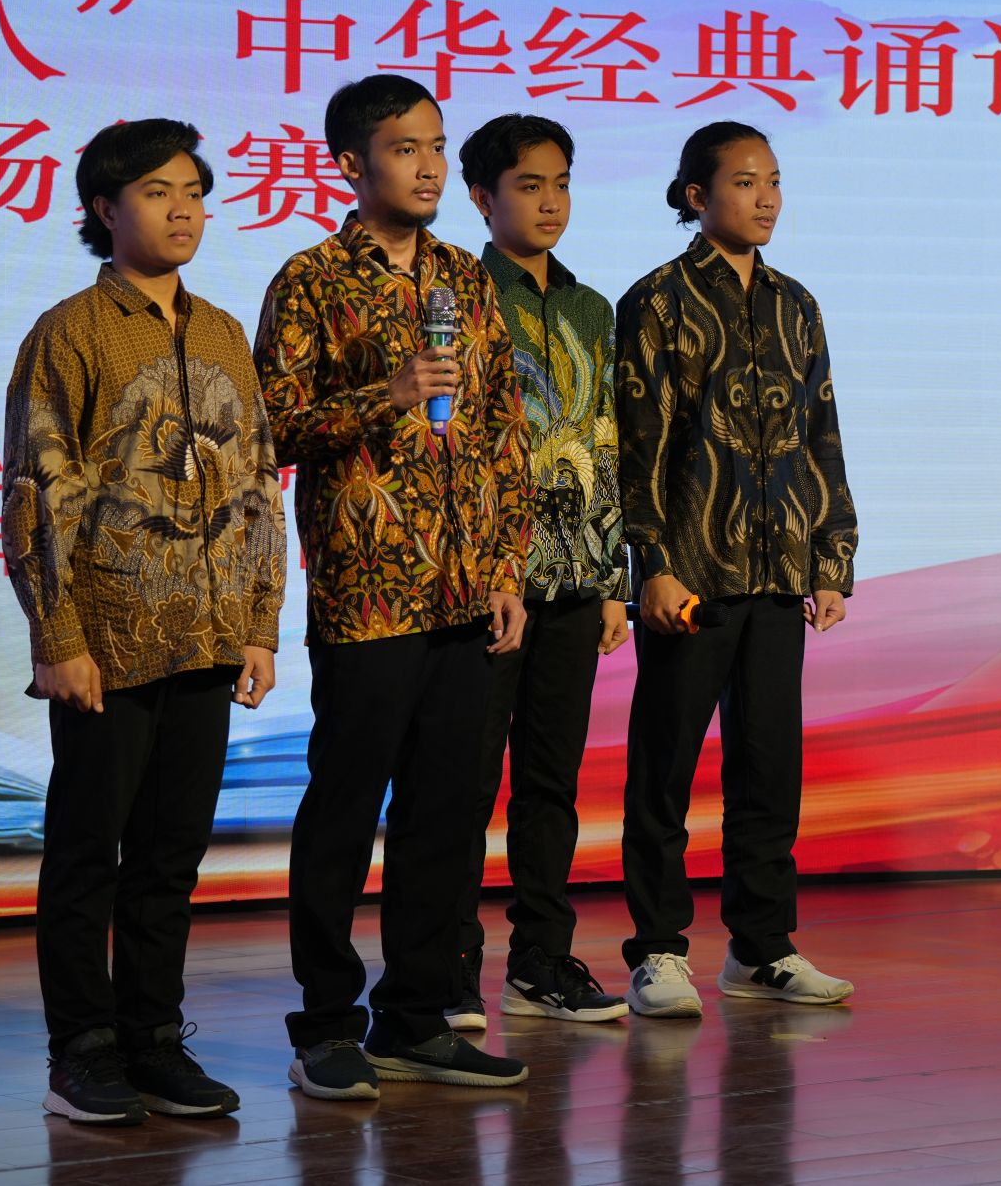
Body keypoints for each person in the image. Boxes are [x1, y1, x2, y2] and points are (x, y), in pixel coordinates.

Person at [253, 74, 533, 1095]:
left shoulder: (464, 277)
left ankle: (416, 1017)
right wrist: (389, 391)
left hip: (467, 593)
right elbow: (271, 428)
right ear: (350, 164)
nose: (427, 167)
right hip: (368, 594)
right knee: (343, 810)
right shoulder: (310, 279)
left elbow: (503, 430)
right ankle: (326, 1025)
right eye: (405, 148)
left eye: (436, 146)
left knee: (446, 816)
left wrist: (507, 567)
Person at [3, 118, 286, 1124]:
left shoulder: (222, 332)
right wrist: (59, 639)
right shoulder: (71, 331)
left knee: (171, 856)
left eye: (194, 193)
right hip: (108, 641)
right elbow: (38, 491)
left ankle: (154, 1037)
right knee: (90, 852)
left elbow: (258, 479)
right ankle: (81, 1050)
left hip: (207, 636)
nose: (182, 211)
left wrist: (260, 622)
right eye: (158, 193)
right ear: (103, 209)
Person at [614, 121, 859, 1018]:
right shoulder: (657, 299)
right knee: (666, 766)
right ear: (696, 195)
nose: (766, 198)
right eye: (746, 181)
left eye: (775, 180)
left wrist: (831, 555)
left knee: (768, 766)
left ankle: (762, 947)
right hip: (692, 572)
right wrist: (652, 563)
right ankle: (658, 949)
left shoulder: (797, 304)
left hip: (779, 566)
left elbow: (821, 431)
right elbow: (638, 444)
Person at [445, 112, 631, 1027]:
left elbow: (607, 439)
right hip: (489, 582)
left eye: (561, 183)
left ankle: (542, 959)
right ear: (482, 197)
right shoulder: (457, 295)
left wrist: (614, 577)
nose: (550, 201)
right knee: (464, 781)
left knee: (552, 782)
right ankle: (448, 967)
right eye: (529, 185)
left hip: (577, 580)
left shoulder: (593, 308)